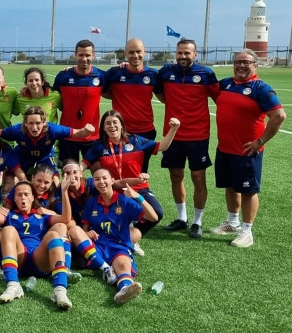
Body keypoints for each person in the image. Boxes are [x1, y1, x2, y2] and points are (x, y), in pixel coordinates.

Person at [210, 49, 287, 248]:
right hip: (225, 148)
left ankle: (247, 231)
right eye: (238, 62)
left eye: (246, 62)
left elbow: (279, 115)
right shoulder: (226, 84)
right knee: (230, 186)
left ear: (255, 65)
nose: (241, 65)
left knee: (248, 191)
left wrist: (259, 142)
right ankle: (232, 222)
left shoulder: (260, 88)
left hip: (246, 151)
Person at [82, 110, 180, 251]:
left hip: (138, 188)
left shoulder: (136, 141)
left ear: (121, 125)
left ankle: (131, 237)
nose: (112, 126)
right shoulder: (99, 146)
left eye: (115, 122)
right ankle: (115, 239)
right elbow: (84, 164)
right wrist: (75, 171)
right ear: (103, 127)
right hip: (113, 190)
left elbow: (162, 146)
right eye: (107, 123)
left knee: (157, 213)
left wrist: (173, 129)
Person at [156, 38, 220, 238]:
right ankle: (182, 219)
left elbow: (220, 98)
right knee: (176, 176)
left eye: (187, 53)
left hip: (197, 135)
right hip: (173, 135)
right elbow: (159, 92)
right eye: (180, 53)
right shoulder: (166, 72)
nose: (183, 56)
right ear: (176, 54)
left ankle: (197, 222)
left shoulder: (206, 74)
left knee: (198, 177)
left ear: (195, 54)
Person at [0, 166, 73, 310]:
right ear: (14, 198)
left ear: (33, 197)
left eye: (26, 194)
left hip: (40, 260)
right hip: (19, 258)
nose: (23, 198)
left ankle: (60, 291)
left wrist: (64, 191)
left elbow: (66, 218)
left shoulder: (41, 215)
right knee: (8, 229)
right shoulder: (10, 214)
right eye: (19, 195)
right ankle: (13, 285)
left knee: (54, 234)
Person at [82, 169, 158, 304]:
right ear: (93, 182)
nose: (101, 182)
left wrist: (138, 197)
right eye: (97, 179)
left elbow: (153, 217)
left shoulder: (124, 201)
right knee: (76, 233)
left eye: (104, 178)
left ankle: (123, 290)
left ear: (112, 181)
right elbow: (84, 230)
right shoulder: (91, 202)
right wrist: (86, 233)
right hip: (97, 245)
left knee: (123, 265)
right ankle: (106, 269)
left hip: (118, 245)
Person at [102, 38, 160, 172]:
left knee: (141, 170)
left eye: (138, 51)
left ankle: (141, 193)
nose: (135, 55)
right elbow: (103, 90)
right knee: (117, 169)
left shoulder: (153, 74)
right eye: (131, 52)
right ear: (126, 54)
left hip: (145, 131)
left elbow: (163, 97)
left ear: (145, 52)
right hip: (120, 130)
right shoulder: (115, 73)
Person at [0, 106, 94, 177]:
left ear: (44, 123)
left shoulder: (53, 130)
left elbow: (78, 133)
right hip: (22, 155)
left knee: (54, 181)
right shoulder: (17, 130)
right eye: (30, 123)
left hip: (45, 156)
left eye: (38, 123)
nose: (34, 127)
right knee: (9, 182)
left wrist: (87, 131)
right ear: (25, 123)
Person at [53, 39, 105, 162]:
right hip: (68, 135)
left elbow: (112, 91)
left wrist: (124, 64)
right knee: (70, 174)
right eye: (81, 55)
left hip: (92, 136)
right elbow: (52, 97)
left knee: (99, 174)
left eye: (87, 55)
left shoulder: (101, 76)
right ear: (75, 55)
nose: (84, 58)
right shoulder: (63, 76)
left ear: (93, 55)